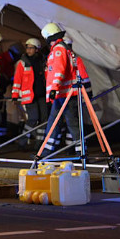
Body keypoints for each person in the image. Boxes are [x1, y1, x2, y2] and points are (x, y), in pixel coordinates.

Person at [40, 23, 82, 157]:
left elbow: (58, 71)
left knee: (71, 123)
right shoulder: (63, 48)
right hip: (63, 93)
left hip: (64, 93)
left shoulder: (58, 50)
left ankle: (80, 152)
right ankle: (47, 150)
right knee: (55, 121)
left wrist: (54, 88)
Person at [11, 38, 48, 151]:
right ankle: (22, 142)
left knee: (44, 119)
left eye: (31, 48)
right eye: (27, 47)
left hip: (42, 95)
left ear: (37, 49)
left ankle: (39, 142)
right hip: (30, 96)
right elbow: (17, 80)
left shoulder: (43, 61)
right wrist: (15, 95)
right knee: (33, 118)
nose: (28, 50)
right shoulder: (22, 62)